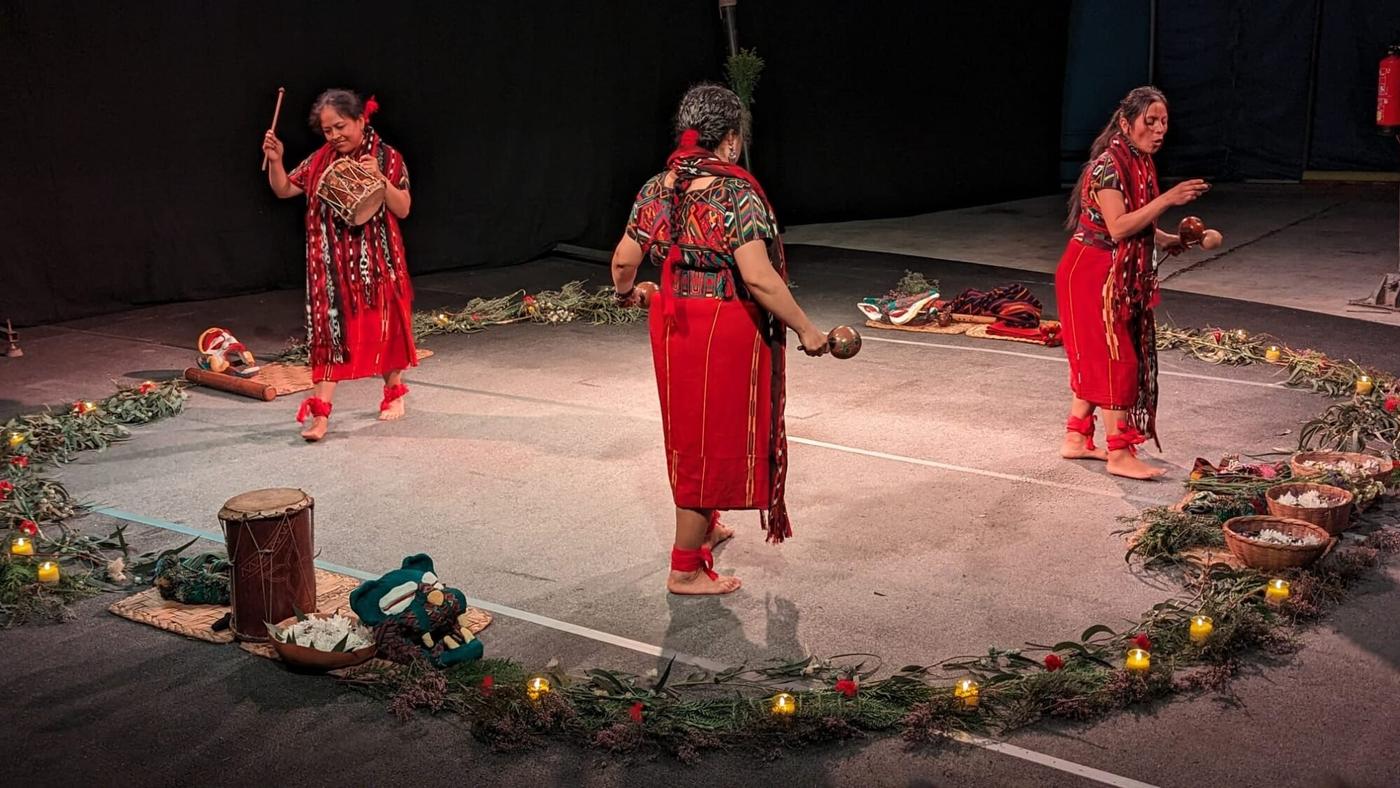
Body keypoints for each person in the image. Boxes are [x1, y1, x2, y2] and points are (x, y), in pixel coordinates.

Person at [611, 84, 829, 595]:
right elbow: (758, 277)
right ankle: (685, 568)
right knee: (708, 441)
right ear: (730, 140)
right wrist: (806, 328)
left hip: (672, 323)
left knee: (691, 428)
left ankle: (706, 525)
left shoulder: (656, 187)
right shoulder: (736, 192)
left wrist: (628, 295)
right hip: (724, 326)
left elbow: (625, 260)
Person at [1056, 86, 1210, 479]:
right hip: (1091, 273)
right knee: (1116, 360)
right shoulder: (1109, 166)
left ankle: (1076, 438)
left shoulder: (1139, 163)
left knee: (1101, 357)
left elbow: (1144, 227)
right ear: (1126, 124)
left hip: (1110, 272)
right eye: (1150, 122)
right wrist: (1168, 199)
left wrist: (1176, 240)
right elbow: (1120, 226)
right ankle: (1119, 453)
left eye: (1164, 123)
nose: (1159, 130)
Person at [261, 89, 416, 442]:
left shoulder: (387, 157)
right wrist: (275, 161)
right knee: (330, 337)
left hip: (377, 265)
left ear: (361, 120)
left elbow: (403, 207)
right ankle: (320, 415)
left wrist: (379, 179)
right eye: (327, 130)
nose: (334, 136)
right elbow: (285, 189)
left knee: (386, 330)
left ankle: (394, 393)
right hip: (329, 268)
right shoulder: (320, 160)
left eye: (340, 127)